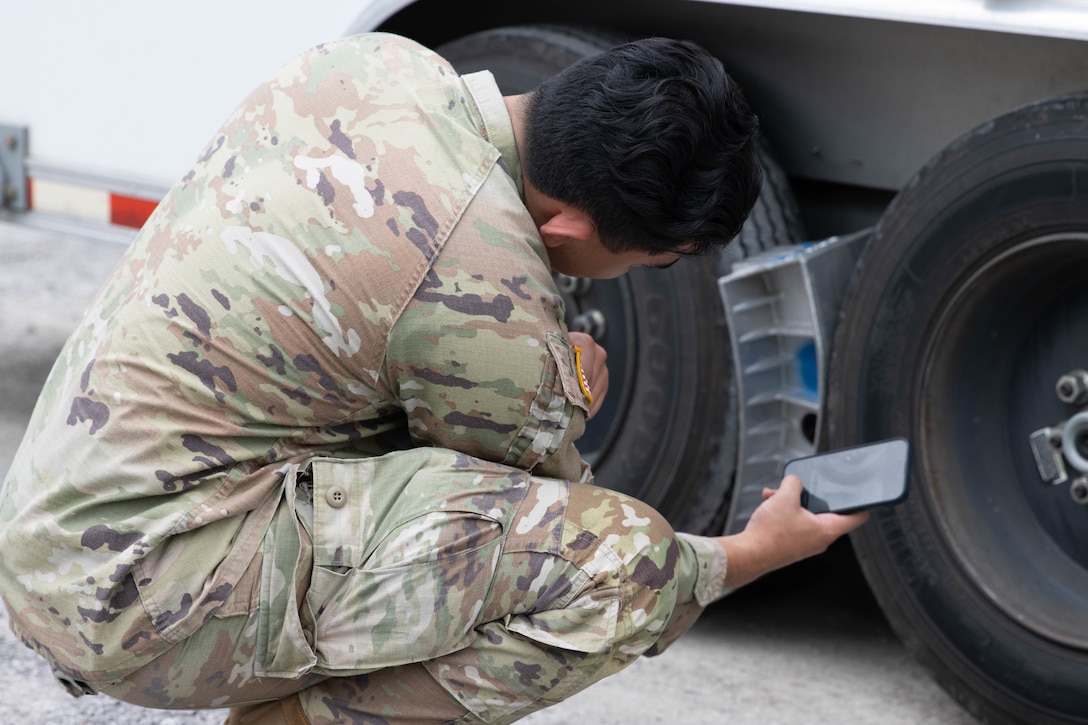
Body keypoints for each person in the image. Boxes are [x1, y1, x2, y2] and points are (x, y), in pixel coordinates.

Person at [0, 32, 867, 724]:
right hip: (126, 604)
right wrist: (751, 554)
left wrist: (541, 365)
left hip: (54, 529)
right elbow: (551, 527)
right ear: (567, 223)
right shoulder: (486, 292)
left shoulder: (377, 63)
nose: (641, 275)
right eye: (650, 259)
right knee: (619, 566)